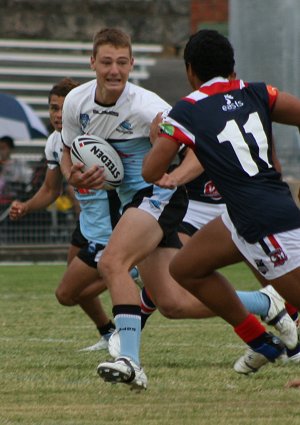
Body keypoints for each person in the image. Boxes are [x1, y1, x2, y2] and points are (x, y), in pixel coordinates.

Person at [142, 29, 300, 376]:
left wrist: (160, 137)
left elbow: (151, 169)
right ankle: (258, 339)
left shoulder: (188, 109)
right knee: (184, 269)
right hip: (247, 213)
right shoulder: (259, 92)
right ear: (233, 66)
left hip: (264, 223)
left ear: (190, 71)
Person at [60, 27, 187, 391]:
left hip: (157, 193)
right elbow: (69, 152)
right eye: (106, 62)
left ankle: (129, 360)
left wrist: (166, 152)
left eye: (121, 62)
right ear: (93, 63)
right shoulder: (76, 103)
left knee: (112, 262)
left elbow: (187, 149)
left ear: (132, 64)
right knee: (172, 301)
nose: (114, 70)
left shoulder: (150, 108)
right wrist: (76, 176)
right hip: (129, 200)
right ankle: (266, 305)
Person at [9, 78, 116, 351]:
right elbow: (50, 189)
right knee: (74, 284)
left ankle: (129, 272)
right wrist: (26, 206)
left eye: (63, 108)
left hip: (110, 228)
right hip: (86, 225)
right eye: (53, 108)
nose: (58, 115)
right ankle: (108, 333)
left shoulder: (98, 136)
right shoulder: (55, 142)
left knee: (67, 294)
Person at [0, 135, 33, 201]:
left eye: (3, 148)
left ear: (11, 149)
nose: (1, 151)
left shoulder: (19, 164)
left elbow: (26, 179)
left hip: (13, 198)